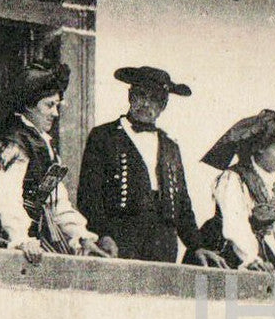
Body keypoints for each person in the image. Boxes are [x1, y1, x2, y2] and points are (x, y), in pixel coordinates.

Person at [0, 62, 114, 263]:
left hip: (33, 228)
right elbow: (6, 197)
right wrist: (20, 238)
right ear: (28, 106)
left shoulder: (42, 143)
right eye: (49, 105)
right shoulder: (13, 143)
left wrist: (81, 235)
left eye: (57, 105)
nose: (55, 113)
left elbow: (56, 200)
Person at [76, 66, 222, 266]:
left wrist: (196, 246)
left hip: (163, 244)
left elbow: (182, 204)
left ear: (164, 105)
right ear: (130, 96)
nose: (146, 104)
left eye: (155, 99)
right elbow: (89, 195)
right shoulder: (104, 136)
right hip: (119, 240)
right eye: (141, 95)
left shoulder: (170, 146)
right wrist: (102, 234)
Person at [192, 109, 275, 271]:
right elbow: (235, 222)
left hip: (253, 247)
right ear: (261, 147)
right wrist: (250, 258)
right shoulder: (233, 177)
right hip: (224, 245)